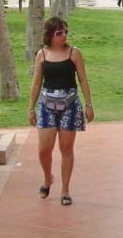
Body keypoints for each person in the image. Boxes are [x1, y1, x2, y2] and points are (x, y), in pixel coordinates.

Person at [28, 16, 95, 207]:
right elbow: (36, 83)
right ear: (50, 35)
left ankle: (65, 189)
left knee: (66, 148)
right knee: (44, 149)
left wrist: (88, 105)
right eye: (59, 33)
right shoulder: (42, 54)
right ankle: (47, 178)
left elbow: (83, 80)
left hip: (69, 104)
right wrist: (31, 108)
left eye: (66, 31)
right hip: (46, 104)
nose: (64, 35)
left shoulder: (74, 53)